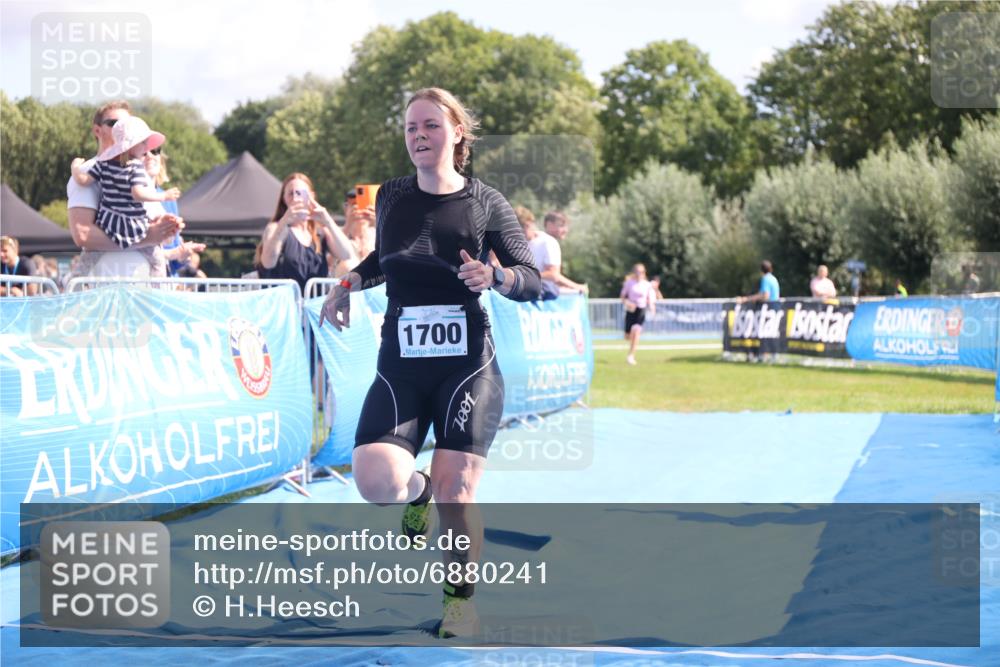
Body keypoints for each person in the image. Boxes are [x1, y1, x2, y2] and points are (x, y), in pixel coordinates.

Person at [319, 87, 540, 638]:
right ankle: (413, 491)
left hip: (467, 364)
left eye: (430, 126)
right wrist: (347, 283)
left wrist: (497, 277)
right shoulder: (392, 196)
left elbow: (532, 280)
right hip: (403, 364)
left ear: (457, 133)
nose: (418, 136)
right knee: (374, 481)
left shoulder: (486, 202)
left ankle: (460, 601)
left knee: (456, 489)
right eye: (411, 128)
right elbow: (384, 260)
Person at [67, 101, 182, 278]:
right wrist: (148, 237)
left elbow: (161, 237)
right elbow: (83, 235)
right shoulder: (91, 169)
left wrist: (167, 227)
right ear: (97, 130)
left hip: (141, 294)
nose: (122, 128)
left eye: (128, 123)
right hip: (107, 293)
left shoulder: (137, 170)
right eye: (114, 123)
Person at [260, 173, 358, 292]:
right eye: (291, 193)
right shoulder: (275, 228)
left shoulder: (322, 232)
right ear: (284, 198)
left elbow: (346, 254)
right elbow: (268, 262)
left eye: (301, 193)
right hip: (285, 306)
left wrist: (328, 221)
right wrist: (284, 221)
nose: (296, 198)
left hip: (314, 305)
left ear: (311, 196)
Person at [143, 147, 204, 276]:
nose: (149, 155)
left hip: (165, 284)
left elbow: (173, 264)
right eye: (143, 151)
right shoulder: (125, 196)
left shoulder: (170, 200)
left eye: (155, 151)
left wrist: (183, 254)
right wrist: (172, 254)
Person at [529, 210, 586, 299]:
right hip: (544, 295)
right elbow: (552, 275)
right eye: (561, 226)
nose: (566, 230)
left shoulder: (536, 238)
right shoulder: (551, 242)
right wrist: (577, 286)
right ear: (550, 225)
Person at [621, 263, 656, 365]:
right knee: (627, 336)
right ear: (634, 272)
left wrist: (652, 308)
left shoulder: (647, 284)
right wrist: (628, 303)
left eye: (641, 272)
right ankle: (630, 338)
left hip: (641, 310)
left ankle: (631, 356)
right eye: (637, 271)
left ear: (644, 273)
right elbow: (623, 297)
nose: (639, 274)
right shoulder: (629, 283)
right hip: (631, 310)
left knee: (636, 331)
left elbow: (650, 298)